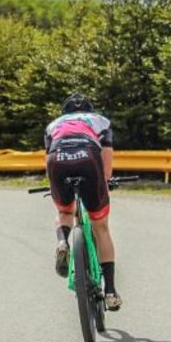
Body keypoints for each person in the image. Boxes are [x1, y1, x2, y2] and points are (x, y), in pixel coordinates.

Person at [44, 94, 122, 311]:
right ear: (90, 109)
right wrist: (104, 181)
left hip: (58, 160)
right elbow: (105, 165)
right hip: (88, 157)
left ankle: (62, 242)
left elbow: (48, 159)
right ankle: (110, 292)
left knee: (65, 212)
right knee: (101, 226)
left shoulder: (53, 125)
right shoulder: (100, 121)